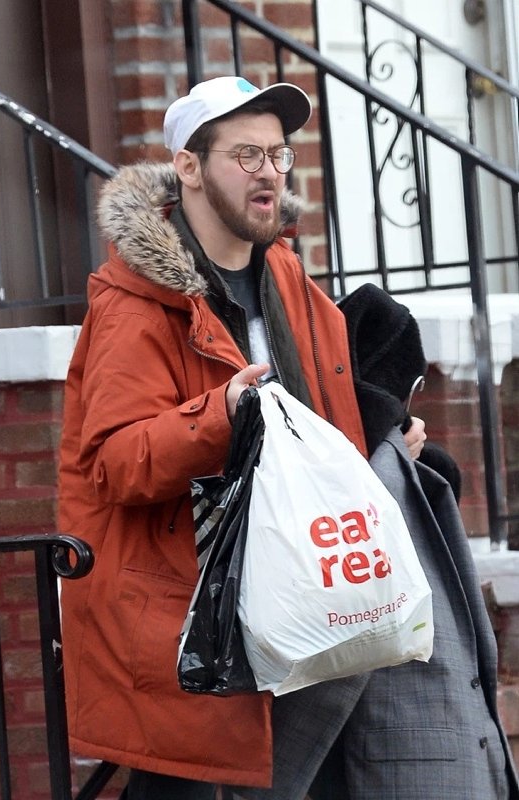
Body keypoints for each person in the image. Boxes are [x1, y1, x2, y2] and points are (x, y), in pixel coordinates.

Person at [57, 76, 518, 800]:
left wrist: (389, 445)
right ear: (188, 167)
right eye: (245, 154)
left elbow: (321, 434)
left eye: (277, 153)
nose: (270, 170)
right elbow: (116, 464)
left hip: (302, 607)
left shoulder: (289, 282)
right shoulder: (134, 306)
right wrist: (221, 415)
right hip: (192, 626)